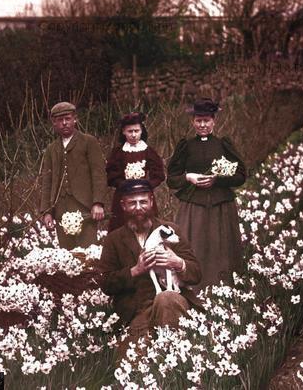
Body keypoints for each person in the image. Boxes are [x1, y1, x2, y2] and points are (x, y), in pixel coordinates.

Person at [98, 179, 202, 343]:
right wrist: (135, 270)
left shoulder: (170, 231)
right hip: (137, 311)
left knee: (166, 299)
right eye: (132, 203)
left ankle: (175, 352)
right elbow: (105, 282)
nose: (139, 208)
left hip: (173, 304)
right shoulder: (114, 239)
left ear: (151, 201)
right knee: (132, 365)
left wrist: (178, 262)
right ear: (123, 205)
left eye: (143, 202)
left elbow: (196, 273)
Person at [166, 98, 246, 289]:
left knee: (221, 246)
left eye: (206, 120)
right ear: (193, 121)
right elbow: (172, 178)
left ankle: (224, 287)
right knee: (194, 244)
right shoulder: (186, 145)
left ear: (214, 121)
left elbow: (241, 175)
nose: (202, 125)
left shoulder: (223, 144)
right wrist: (189, 177)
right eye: (198, 121)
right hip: (194, 205)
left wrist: (218, 179)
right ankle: (193, 285)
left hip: (221, 205)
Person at [40, 102, 108, 249]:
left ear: (75, 119)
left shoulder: (88, 142)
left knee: (88, 253)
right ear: (54, 123)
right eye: (59, 120)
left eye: (68, 118)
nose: (64, 123)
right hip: (60, 209)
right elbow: (47, 182)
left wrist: (98, 203)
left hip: (86, 207)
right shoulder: (51, 149)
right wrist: (47, 212)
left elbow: (99, 174)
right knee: (66, 256)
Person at [105, 112, 165, 232]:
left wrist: (147, 185)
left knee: (148, 226)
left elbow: (158, 174)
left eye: (136, 131)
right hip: (123, 194)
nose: (133, 135)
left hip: (144, 194)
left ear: (141, 131)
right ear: (123, 132)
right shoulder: (118, 152)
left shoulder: (148, 151)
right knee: (121, 227)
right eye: (130, 131)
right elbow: (111, 174)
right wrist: (122, 184)